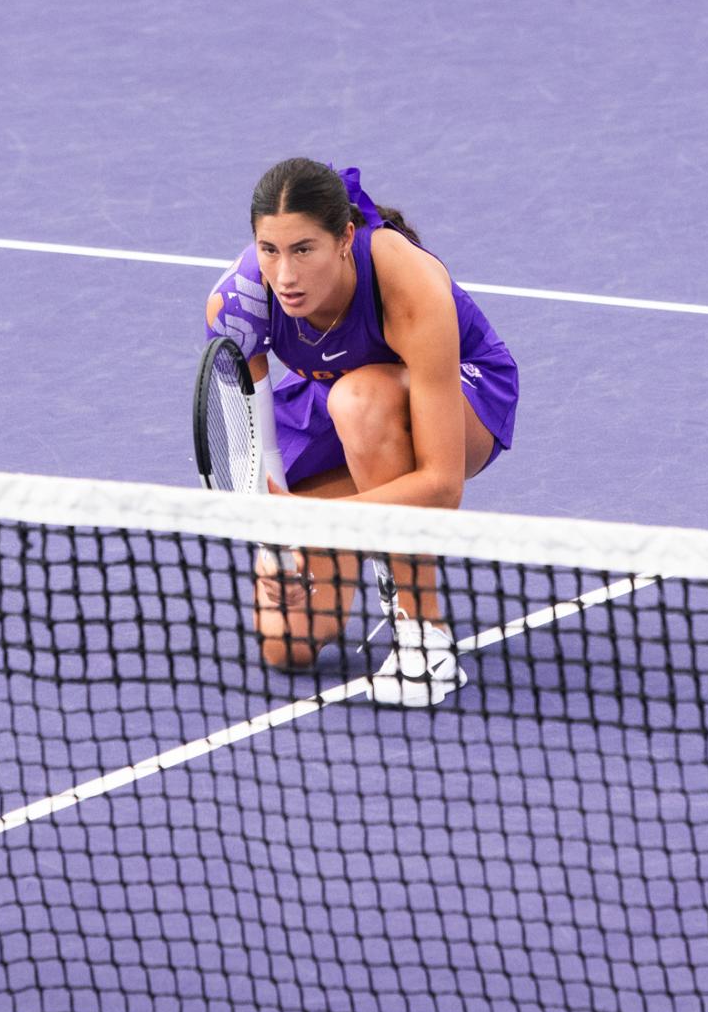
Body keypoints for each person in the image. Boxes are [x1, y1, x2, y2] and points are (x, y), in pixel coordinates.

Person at [204, 157, 518, 705]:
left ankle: (425, 636)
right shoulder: (240, 307)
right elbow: (263, 458)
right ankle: (379, 531)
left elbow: (442, 488)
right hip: (334, 401)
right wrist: (274, 542)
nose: (285, 275)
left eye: (304, 249)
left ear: (345, 237)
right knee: (289, 645)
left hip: (462, 395)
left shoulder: (408, 285)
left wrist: (321, 524)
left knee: (361, 401)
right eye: (269, 250)